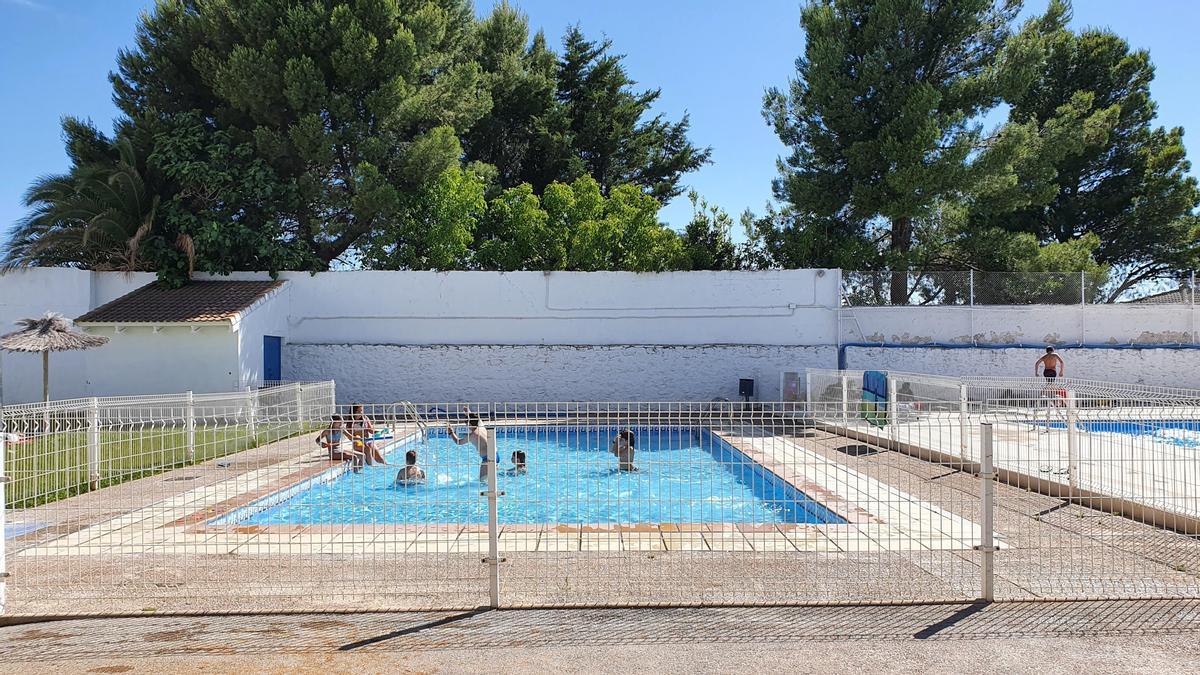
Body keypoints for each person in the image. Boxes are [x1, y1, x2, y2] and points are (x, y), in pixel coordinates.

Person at [447, 412, 492, 481]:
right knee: (490, 479)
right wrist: (468, 411)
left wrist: (451, 432)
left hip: (487, 460)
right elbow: (476, 418)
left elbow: (458, 442)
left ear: (469, 424)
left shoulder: (473, 435)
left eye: (466, 424)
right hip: (495, 455)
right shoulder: (481, 426)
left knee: (482, 481)